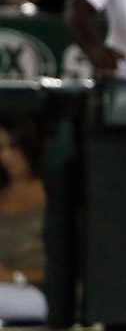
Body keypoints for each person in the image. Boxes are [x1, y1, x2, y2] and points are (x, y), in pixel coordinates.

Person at [0, 117, 46, 326]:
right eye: (1, 148)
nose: (6, 156)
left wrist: (15, 277)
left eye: (13, 147)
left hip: (38, 290)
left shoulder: (52, 193)